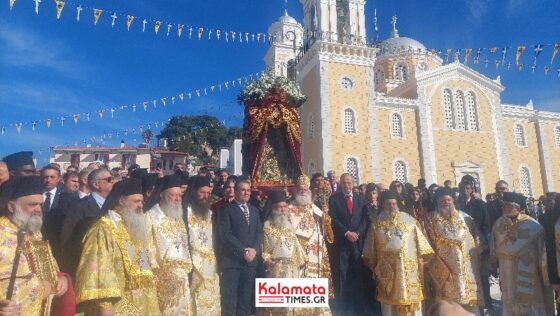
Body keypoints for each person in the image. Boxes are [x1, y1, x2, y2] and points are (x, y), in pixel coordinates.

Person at [75, 178, 160, 315]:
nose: (141, 205)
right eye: (136, 201)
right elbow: (99, 273)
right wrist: (106, 306)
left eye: (142, 201)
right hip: (117, 307)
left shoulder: (134, 227)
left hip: (144, 304)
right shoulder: (104, 229)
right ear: (121, 201)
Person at [0, 176, 72, 316]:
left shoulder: (34, 233)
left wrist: (61, 279)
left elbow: (49, 269)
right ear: (11, 206)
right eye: (32, 204)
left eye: (41, 205)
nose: (38, 209)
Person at [362, 190, 434, 316]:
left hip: (409, 272)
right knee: (389, 306)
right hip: (388, 274)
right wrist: (376, 268)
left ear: (398, 204)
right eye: (388, 204)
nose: (392, 206)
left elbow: (423, 247)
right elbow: (369, 253)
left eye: (394, 203)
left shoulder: (410, 221)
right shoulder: (376, 224)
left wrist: (421, 263)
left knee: (413, 305)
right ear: (383, 205)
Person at [490, 192, 553, 315]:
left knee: (530, 303)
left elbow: (542, 252)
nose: (503, 208)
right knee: (510, 301)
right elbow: (494, 246)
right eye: (502, 205)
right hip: (506, 270)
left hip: (528, 269)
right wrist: (493, 263)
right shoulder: (498, 224)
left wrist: (544, 273)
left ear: (517, 207)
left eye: (506, 205)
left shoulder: (533, 226)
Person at [424, 187, 484, 314]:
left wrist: (479, 256)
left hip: (466, 268)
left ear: (453, 201)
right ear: (437, 203)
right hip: (444, 270)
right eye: (442, 201)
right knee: (447, 305)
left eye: (448, 200)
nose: (446, 203)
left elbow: (477, 240)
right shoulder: (430, 219)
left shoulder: (465, 218)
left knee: (469, 303)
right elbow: (427, 244)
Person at [146, 175, 194, 315]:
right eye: (173, 195)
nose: (178, 199)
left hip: (182, 280)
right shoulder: (150, 216)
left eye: (180, 195)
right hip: (162, 280)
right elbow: (147, 248)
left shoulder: (177, 217)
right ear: (161, 195)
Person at [289, 175, 332, 315]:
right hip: (298, 253)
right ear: (296, 190)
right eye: (300, 189)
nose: (302, 192)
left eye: (305, 189)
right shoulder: (289, 209)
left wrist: (326, 218)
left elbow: (326, 232)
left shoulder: (315, 209)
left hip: (315, 254)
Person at [219, 179, 263, 316]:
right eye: (243, 190)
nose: (246, 193)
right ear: (236, 191)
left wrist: (254, 250)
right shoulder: (226, 209)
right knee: (230, 300)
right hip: (233, 262)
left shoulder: (254, 210)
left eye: (248, 190)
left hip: (250, 263)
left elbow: (259, 232)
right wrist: (243, 251)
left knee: (245, 299)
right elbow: (225, 234)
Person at [60, 168, 114, 278]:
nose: (113, 182)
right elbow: (67, 238)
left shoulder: (113, 207)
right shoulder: (79, 207)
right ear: (96, 184)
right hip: (87, 267)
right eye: (109, 179)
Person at [259, 190, 307, 316]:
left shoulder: (289, 225)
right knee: (276, 306)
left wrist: (301, 260)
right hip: (276, 270)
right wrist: (267, 260)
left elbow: (296, 245)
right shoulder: (267, 226)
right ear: (273, 208)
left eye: (285, 207)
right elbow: (264, 250)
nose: (283, 210)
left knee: (292, 305)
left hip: (292, 270)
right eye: (279, 207)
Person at [328, 173, 368, 315]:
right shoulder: (334, 200)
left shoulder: (360, 199)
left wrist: (358, 233)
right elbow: (333, 219)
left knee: (358, 274)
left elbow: (365, 219)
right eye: (344, 183)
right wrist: (346, 233)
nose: (347, 185)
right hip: (342, 244)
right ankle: (343, 308)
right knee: (343, 275)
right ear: (340, 184)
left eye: (349, 183)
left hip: (357, 244)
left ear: (353, 183)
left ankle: (358, 308)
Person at [183, 176, 221, 315]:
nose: (205, 196)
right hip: (193, 264)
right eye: (202, 192)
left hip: (210, 265)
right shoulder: (185, 212)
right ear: (193, 192)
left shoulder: (209, 213)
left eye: (208, 193)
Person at [456, 180, 492, 310]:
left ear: (471, 189)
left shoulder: (480, 204)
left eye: (467, 188)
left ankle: (486, 303)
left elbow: (486, 224)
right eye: (462, 188)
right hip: (461, 245)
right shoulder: (455, 205)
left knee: (481, 274)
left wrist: (484, 243)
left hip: (478, 244)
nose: (464, 191)